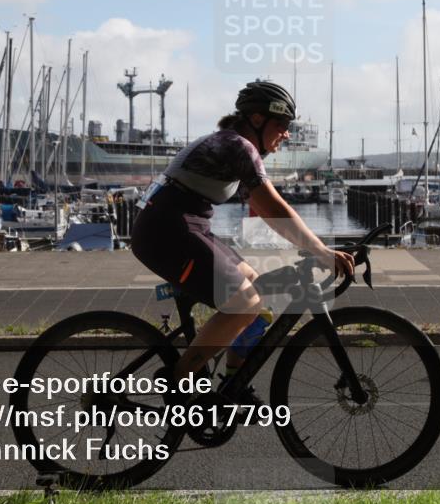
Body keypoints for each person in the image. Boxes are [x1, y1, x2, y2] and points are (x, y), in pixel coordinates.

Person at [131, 81, 354, 386]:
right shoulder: (238, 147)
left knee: (254, 293)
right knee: (245, 303)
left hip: (182, 226)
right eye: (282, 124)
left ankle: (232, 385)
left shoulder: (229, 143)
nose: (286, 133)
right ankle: (178, 381)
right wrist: (321, 251)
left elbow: (268, 210)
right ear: (258, 120)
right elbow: (273, 208)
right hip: (168, 230)